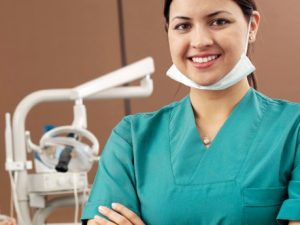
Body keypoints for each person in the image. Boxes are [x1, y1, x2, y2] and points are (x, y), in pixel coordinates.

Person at [81, 0, 300, 224]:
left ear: (251, 26)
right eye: (183, 26)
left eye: (219, 22)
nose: (200, 41)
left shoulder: (293, 129)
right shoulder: (132, 139)